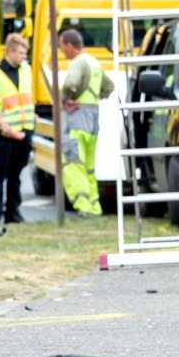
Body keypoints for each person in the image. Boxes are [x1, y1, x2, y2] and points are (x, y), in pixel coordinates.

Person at [58, 28, 114, 217]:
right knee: (89, 166)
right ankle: (94, 205)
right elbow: (109, 87)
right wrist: (98, 97)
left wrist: (65, 100)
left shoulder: (78, 63)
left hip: (77, 119)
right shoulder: (94, 62)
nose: (62, 51)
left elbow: (70, 84)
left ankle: (83, 206)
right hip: (93, 119)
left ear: (69, 45)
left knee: (74, 162)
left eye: (62, 46)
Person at [0, 33, 35, 224]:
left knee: (16, 174)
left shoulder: (25, 70)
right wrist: (1, 124)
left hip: (24, 129)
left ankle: (13, 212)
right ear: (10, 52)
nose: (23, 56)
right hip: (4, 133)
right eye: (21, 53)